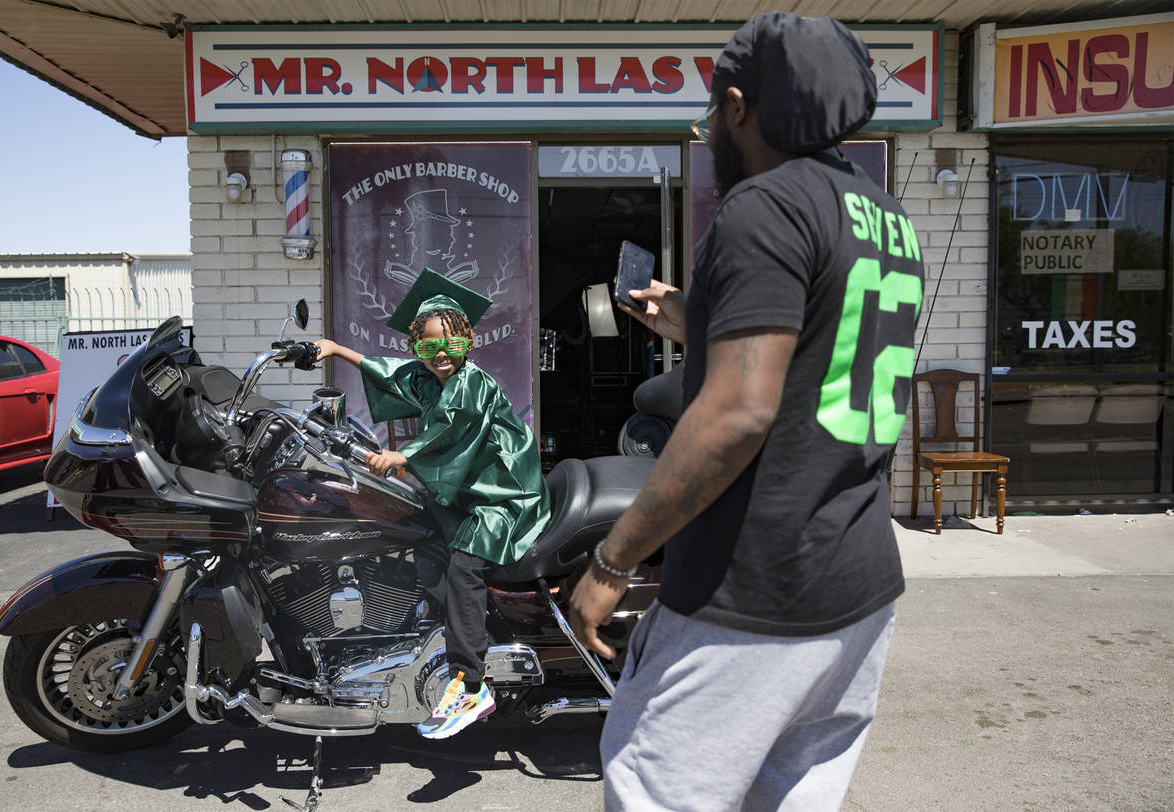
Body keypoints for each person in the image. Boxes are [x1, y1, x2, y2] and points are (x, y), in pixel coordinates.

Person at [568, 12, 925, 811]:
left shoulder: (763, 207)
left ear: (738, 107)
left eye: (709, 114)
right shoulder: (884, 216)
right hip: (857, 585)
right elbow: (819, 351)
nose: (708, 133)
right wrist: (696, 320)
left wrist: (611, 563)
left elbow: (736, 416)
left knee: (658, 790)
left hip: (756, 585)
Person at [315, 269, 550, 740]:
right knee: (420, 541)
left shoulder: (472, 384)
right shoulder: (426, 377)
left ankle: (470, 685)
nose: (441, 355)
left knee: (464, 567)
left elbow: (453, 430)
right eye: (427, 347)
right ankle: (434, 638)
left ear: (468, 341)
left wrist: (403, 454)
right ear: (415, 348)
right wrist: (338, 350)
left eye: (451, 345)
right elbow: (389, 372)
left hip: (500, 495)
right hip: (465, 490)